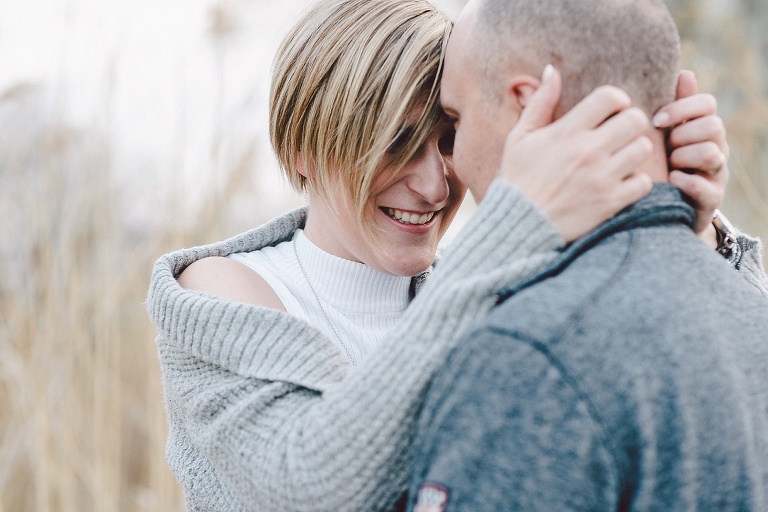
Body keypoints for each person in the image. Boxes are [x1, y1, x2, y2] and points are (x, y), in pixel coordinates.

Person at [147, 0, 768, 511]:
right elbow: (312, 487)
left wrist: (687, 223)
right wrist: (518, 223)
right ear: (304, 148)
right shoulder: (220, 291)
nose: (435, 185)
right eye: (392, 144)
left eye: (448, 137)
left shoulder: (485, 282)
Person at [407, 0, 768, 510]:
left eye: (455, 121)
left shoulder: (528, 354)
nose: (456, 162)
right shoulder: (752, 312)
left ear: (528, 105)